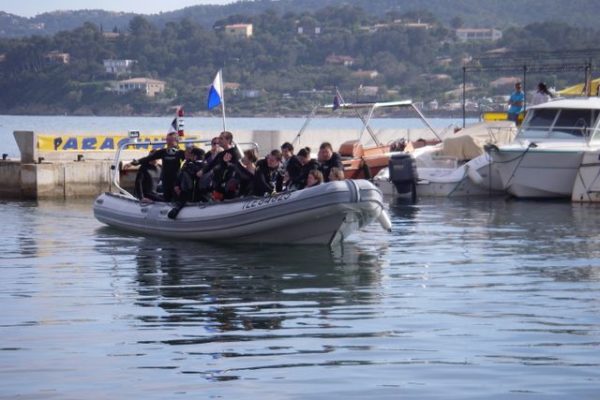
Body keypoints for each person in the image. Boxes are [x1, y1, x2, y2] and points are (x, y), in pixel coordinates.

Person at [130, 132, 185, 202]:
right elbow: (149, 158)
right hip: (166, 181)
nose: (168, 142)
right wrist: (136, 162)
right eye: (167, 140)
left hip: (176, 181)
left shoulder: (181, 153)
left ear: (177, 141)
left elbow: (193, 158)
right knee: (167, 199)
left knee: (176, 199)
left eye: (170, 140)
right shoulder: (163, 152)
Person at [197, 131, 241, 201]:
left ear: (228, 140)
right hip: (220, 184)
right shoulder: (221, 154)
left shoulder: (235, 152)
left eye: (221, 139)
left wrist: (228, 164)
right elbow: (211, 164)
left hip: (229, 185)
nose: (219, 140)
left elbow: (239, 167)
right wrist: (202, 171)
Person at [168, 147, 206, 219]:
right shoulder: (206, 166)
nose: (189, 157)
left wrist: (177, 186)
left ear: (195, 156)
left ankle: (176, 208)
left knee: (181, 199)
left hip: (189, 193)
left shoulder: (190, 166)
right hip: (201, 193)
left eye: (191, 155)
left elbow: (182, 177)